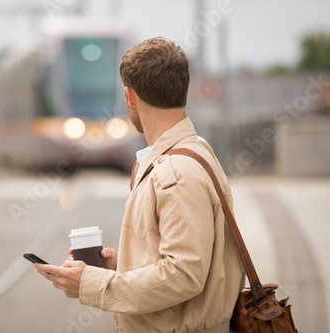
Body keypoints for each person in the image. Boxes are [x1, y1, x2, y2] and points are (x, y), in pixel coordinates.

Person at [35, 37, 245, 333]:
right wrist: (122, 267)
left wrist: (91, 283)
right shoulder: (195, 150)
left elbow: (184, 274)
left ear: (129, 96)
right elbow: (187, 260)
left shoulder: (174, 172)